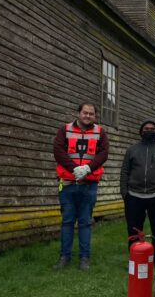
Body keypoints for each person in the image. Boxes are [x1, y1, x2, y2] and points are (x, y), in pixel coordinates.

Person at [53, 103, 109, 270]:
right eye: (85, 113)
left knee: (85, 222)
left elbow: (104, 153)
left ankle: (84, 258)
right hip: (68, 184)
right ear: (78, 113)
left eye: (91, 114)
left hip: (89, 184)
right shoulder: (65, 130)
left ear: (95, 116)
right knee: (67, 221)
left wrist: (88, 168)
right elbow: (58, 150)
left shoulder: (100, 132)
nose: (88, 116)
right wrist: (74, 168)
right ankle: (65, 257)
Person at [120, 120, 155, 267]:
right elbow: (125, 171)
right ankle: (135, 259)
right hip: (134, 196)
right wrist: (124, 192)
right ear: (141, 131)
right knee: (134, 230)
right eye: (146, 128)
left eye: (152, 128)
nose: (149, 130)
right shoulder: (132, 150)